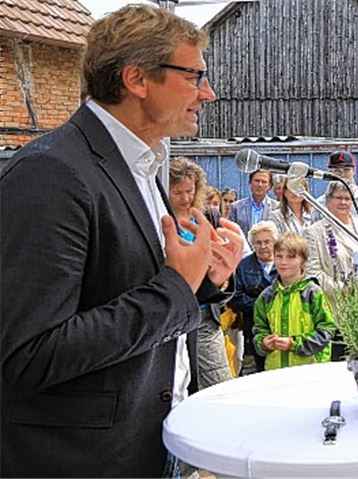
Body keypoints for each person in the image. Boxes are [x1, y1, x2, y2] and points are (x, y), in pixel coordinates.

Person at [0, 6, 245, 476]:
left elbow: (125, 288)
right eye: (194, 76)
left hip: (154, 439)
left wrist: (204, 280)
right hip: (85, 462)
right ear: (136, 78)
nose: (207, 94)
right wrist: (177, 285)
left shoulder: (140, 164)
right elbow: (31, 354)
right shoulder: (50, 174)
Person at [169, 157, 233, 389]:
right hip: (175, 317)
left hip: (206, 316)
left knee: (220, 386)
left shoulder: (208, 216)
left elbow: (222, 256)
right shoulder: (158, 219)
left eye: (190, 190)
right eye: (177, 192)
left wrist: (222, 278)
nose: (186, 198)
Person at [253, 232, 336, 370]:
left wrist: (295, 344)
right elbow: (259, 329)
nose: (283, 262)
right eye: (279, 256)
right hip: (276, 370)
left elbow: (327, 330)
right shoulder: (266, 297)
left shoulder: (313, 293)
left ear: (303, 261)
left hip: (310, 369)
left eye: (291, 257)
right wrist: (263, 342)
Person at [304, 181, 358, 296]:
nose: (343, 202)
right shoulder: (313, 233)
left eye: (347, 198)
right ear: (328, 201)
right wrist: (344, 290)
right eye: (338, 198)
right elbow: (313, 273)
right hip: (334, 305)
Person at [229, 221, 279, 374]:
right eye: (258, 242)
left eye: (267, 242)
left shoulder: (285, 261)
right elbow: (235, 297)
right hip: (254, 326)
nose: (263, 246)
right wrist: (260, 304)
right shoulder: (244, 265)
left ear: (275, 242)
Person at [325, 150, 358, 223]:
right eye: (337, 171)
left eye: (347, 170)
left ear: (354, 171)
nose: (342, 175)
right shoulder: (320, 203)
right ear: (330, 172)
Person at [229, 169, 278, 239]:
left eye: (264, 182)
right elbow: (231, 232)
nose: (260, 185)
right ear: (250, 183)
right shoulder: (236, 207)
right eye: (257, 181)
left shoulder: (277, 207)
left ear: (269, 186)